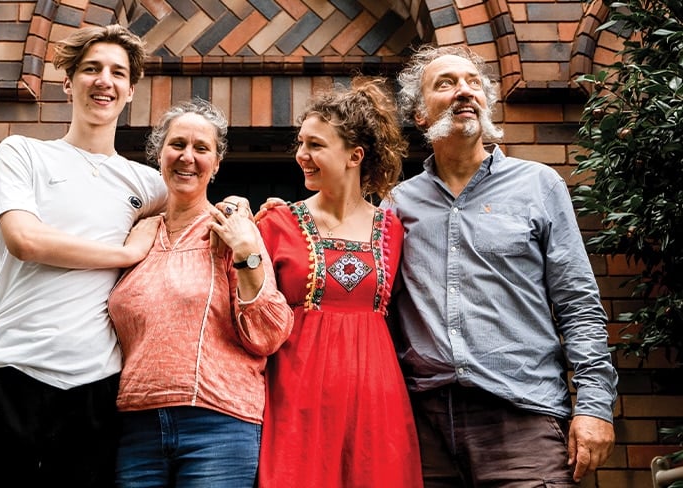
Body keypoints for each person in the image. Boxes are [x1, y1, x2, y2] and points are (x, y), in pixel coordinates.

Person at [385, 44, 618, 486]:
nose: (464, 92)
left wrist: (593, 405)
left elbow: (579, 304)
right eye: (446, 83)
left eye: (473, 83)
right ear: (419, 114)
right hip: (425, 428)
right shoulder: (397, 204)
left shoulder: (539, 185)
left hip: (523, 420)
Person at [0, 25, 167, 488]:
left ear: (131, 90)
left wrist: (249, 209)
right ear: (68, 82)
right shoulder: (24, 154)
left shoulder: (150, 186)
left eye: (117, 72)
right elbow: (25, 240)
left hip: (94, 385)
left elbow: (199, 222)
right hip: (9, 370)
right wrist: (124, 253)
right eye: (91, 69)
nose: (103, 81)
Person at [107, 98, 294, 488]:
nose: (187, 157)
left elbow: (268, 333)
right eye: (177, 144)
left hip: (218, 426)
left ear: (217, 164)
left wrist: (246, 253)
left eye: (201, 148)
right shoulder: (134, 233)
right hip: (136, 425)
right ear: (159, 154)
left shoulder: (232, 228)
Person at [254, 79, 424, 487]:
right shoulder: (276, 223)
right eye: (300, 143)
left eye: (315, 145)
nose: (301, 155)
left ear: (355, 155)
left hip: (376, 402)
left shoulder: (395, 228)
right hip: (295, 399)